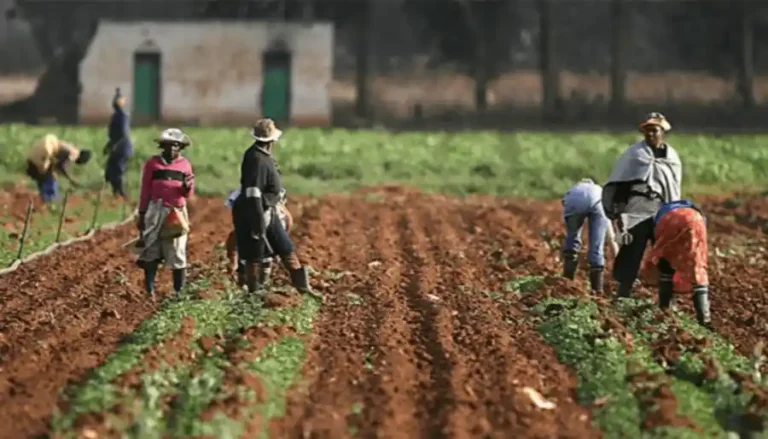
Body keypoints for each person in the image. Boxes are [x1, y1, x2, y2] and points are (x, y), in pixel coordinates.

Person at [232, 118, 321, 300]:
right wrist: (257, 222)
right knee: (253, 255)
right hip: (254, 211)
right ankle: (253, 294)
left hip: (267, 209)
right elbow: (253, 192)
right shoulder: (256, 159)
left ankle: (303, 288)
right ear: (272, 140)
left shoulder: (263, 156)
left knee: (285, 247)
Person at [602, 112, 682, 300]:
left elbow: (674, 188)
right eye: (647, 131)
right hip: (636, 210)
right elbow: (621, 185)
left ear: (663, 132)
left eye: (654, 130)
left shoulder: (671, 158)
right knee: (631, 252)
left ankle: (666, 300)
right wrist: (620, 212)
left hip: (662, 211)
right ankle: (623, 295)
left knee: (665, 253)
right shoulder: (634, 155)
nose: (650, 134)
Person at [136, 128, 195, 298]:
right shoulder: (153, 164)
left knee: (177, 250)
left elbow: (188, 193)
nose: (171, 149)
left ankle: (178, 292)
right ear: (162, 146)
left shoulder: (185, 165)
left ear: (180, 147)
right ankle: (149, 290)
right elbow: (145, 190)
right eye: (168, 145)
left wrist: (186, 187)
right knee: (151, 249)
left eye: (175, 145)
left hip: (176, 210)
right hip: (155, 209)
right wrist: (142, 214)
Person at [640, 200, 711, 327]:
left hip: (669, 222)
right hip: (696, 221)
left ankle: (665, 308)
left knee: (665, 261)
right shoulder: (693, 210)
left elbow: (656, 244)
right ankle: (704, 319)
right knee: (697, 265)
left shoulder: (659, 214)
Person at [225, 187, 293, 288]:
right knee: (248, 260)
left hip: (267, 223)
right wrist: (233, 260)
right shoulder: (242, 195)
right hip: (252, 225)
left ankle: (258, 286)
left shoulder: (275, 201)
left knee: (264, 259)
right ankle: (250, 287)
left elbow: (288, 221)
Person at [561, 178, 619, 293]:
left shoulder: (573, 190)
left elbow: (565, 206)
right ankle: (597, 289)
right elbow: (611, 238)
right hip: (597, 203)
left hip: (573, 202)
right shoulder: (600, 191)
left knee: (572, 239)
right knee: (596, 247)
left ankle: (566, 281)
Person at [25, 133, 92, 202]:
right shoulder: (73, 154)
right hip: (43, 157)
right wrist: (70, 178)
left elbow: (57, 163)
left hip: (33, 157)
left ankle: (44, 199)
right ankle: (51, 201)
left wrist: (69, 178)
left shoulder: (69, 146)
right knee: (51, 180)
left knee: (44, 179)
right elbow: (60, 166)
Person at [104, 88, 133, 198]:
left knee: (118, 170)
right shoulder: (116, 115)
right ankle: (115, 192)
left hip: (122, 148)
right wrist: (108, 146)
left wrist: (113, 146)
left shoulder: (122, 116)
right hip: (116, 147)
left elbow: (122, 133)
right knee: (110, 170)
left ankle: (121, 193)